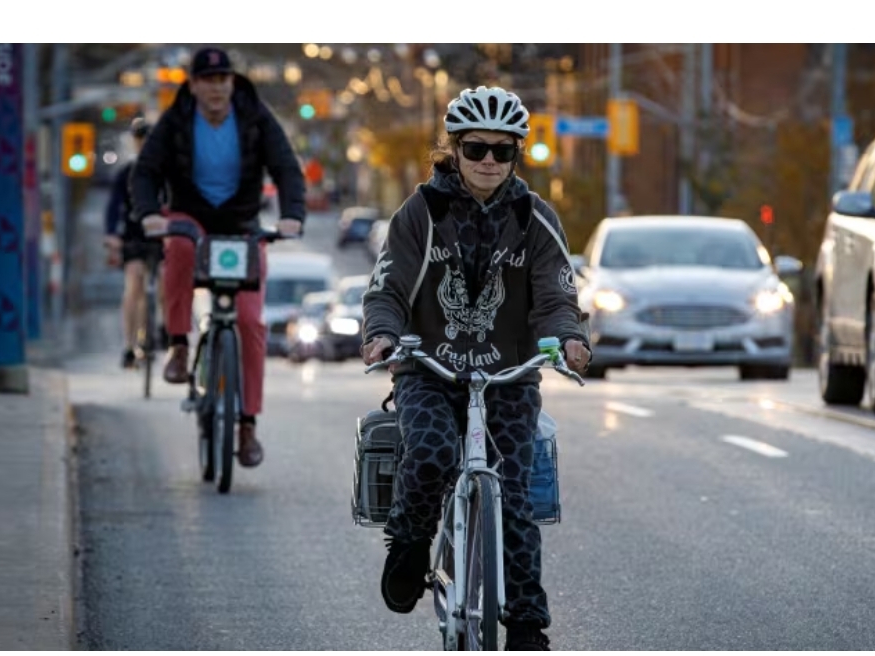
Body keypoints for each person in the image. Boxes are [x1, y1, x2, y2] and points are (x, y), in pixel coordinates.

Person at [361, 85, 592, 651]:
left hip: (508, 376)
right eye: (475, 149)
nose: (489, 161)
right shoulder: (420, 213)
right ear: (453, 150)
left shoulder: (535, 218)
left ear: (518, 154)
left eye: (502, 151)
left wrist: (570, 339)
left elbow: (559, 295)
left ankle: (529, 623)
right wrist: (383, 335)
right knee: (434, 451)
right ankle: (411, 541)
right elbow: (388, 287)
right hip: (428, 369)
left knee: (514, 496)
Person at [130, 46, 306, 467]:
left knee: (249, 321)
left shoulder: (255, 116)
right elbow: (146, 173)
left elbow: (286, 168)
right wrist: (151, 215)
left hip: (241, 222)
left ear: (232, 83)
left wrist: (292, 217)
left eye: (223, 79)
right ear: (193, 85)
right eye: (207, 80)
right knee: (181, 248)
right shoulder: (175, 120)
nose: (216, 87)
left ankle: (246, 427)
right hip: (190, 216)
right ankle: (177, 345)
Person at [104, 117, 166, 368]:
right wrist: (111, 234)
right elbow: (112, 207)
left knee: (166, 278)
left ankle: (164, 327)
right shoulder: (125, 174)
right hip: (134, 236)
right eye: (139, 139)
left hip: (163, 237)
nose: (143, 144)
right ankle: (129, 345)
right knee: (134, 284)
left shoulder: (166, 174)